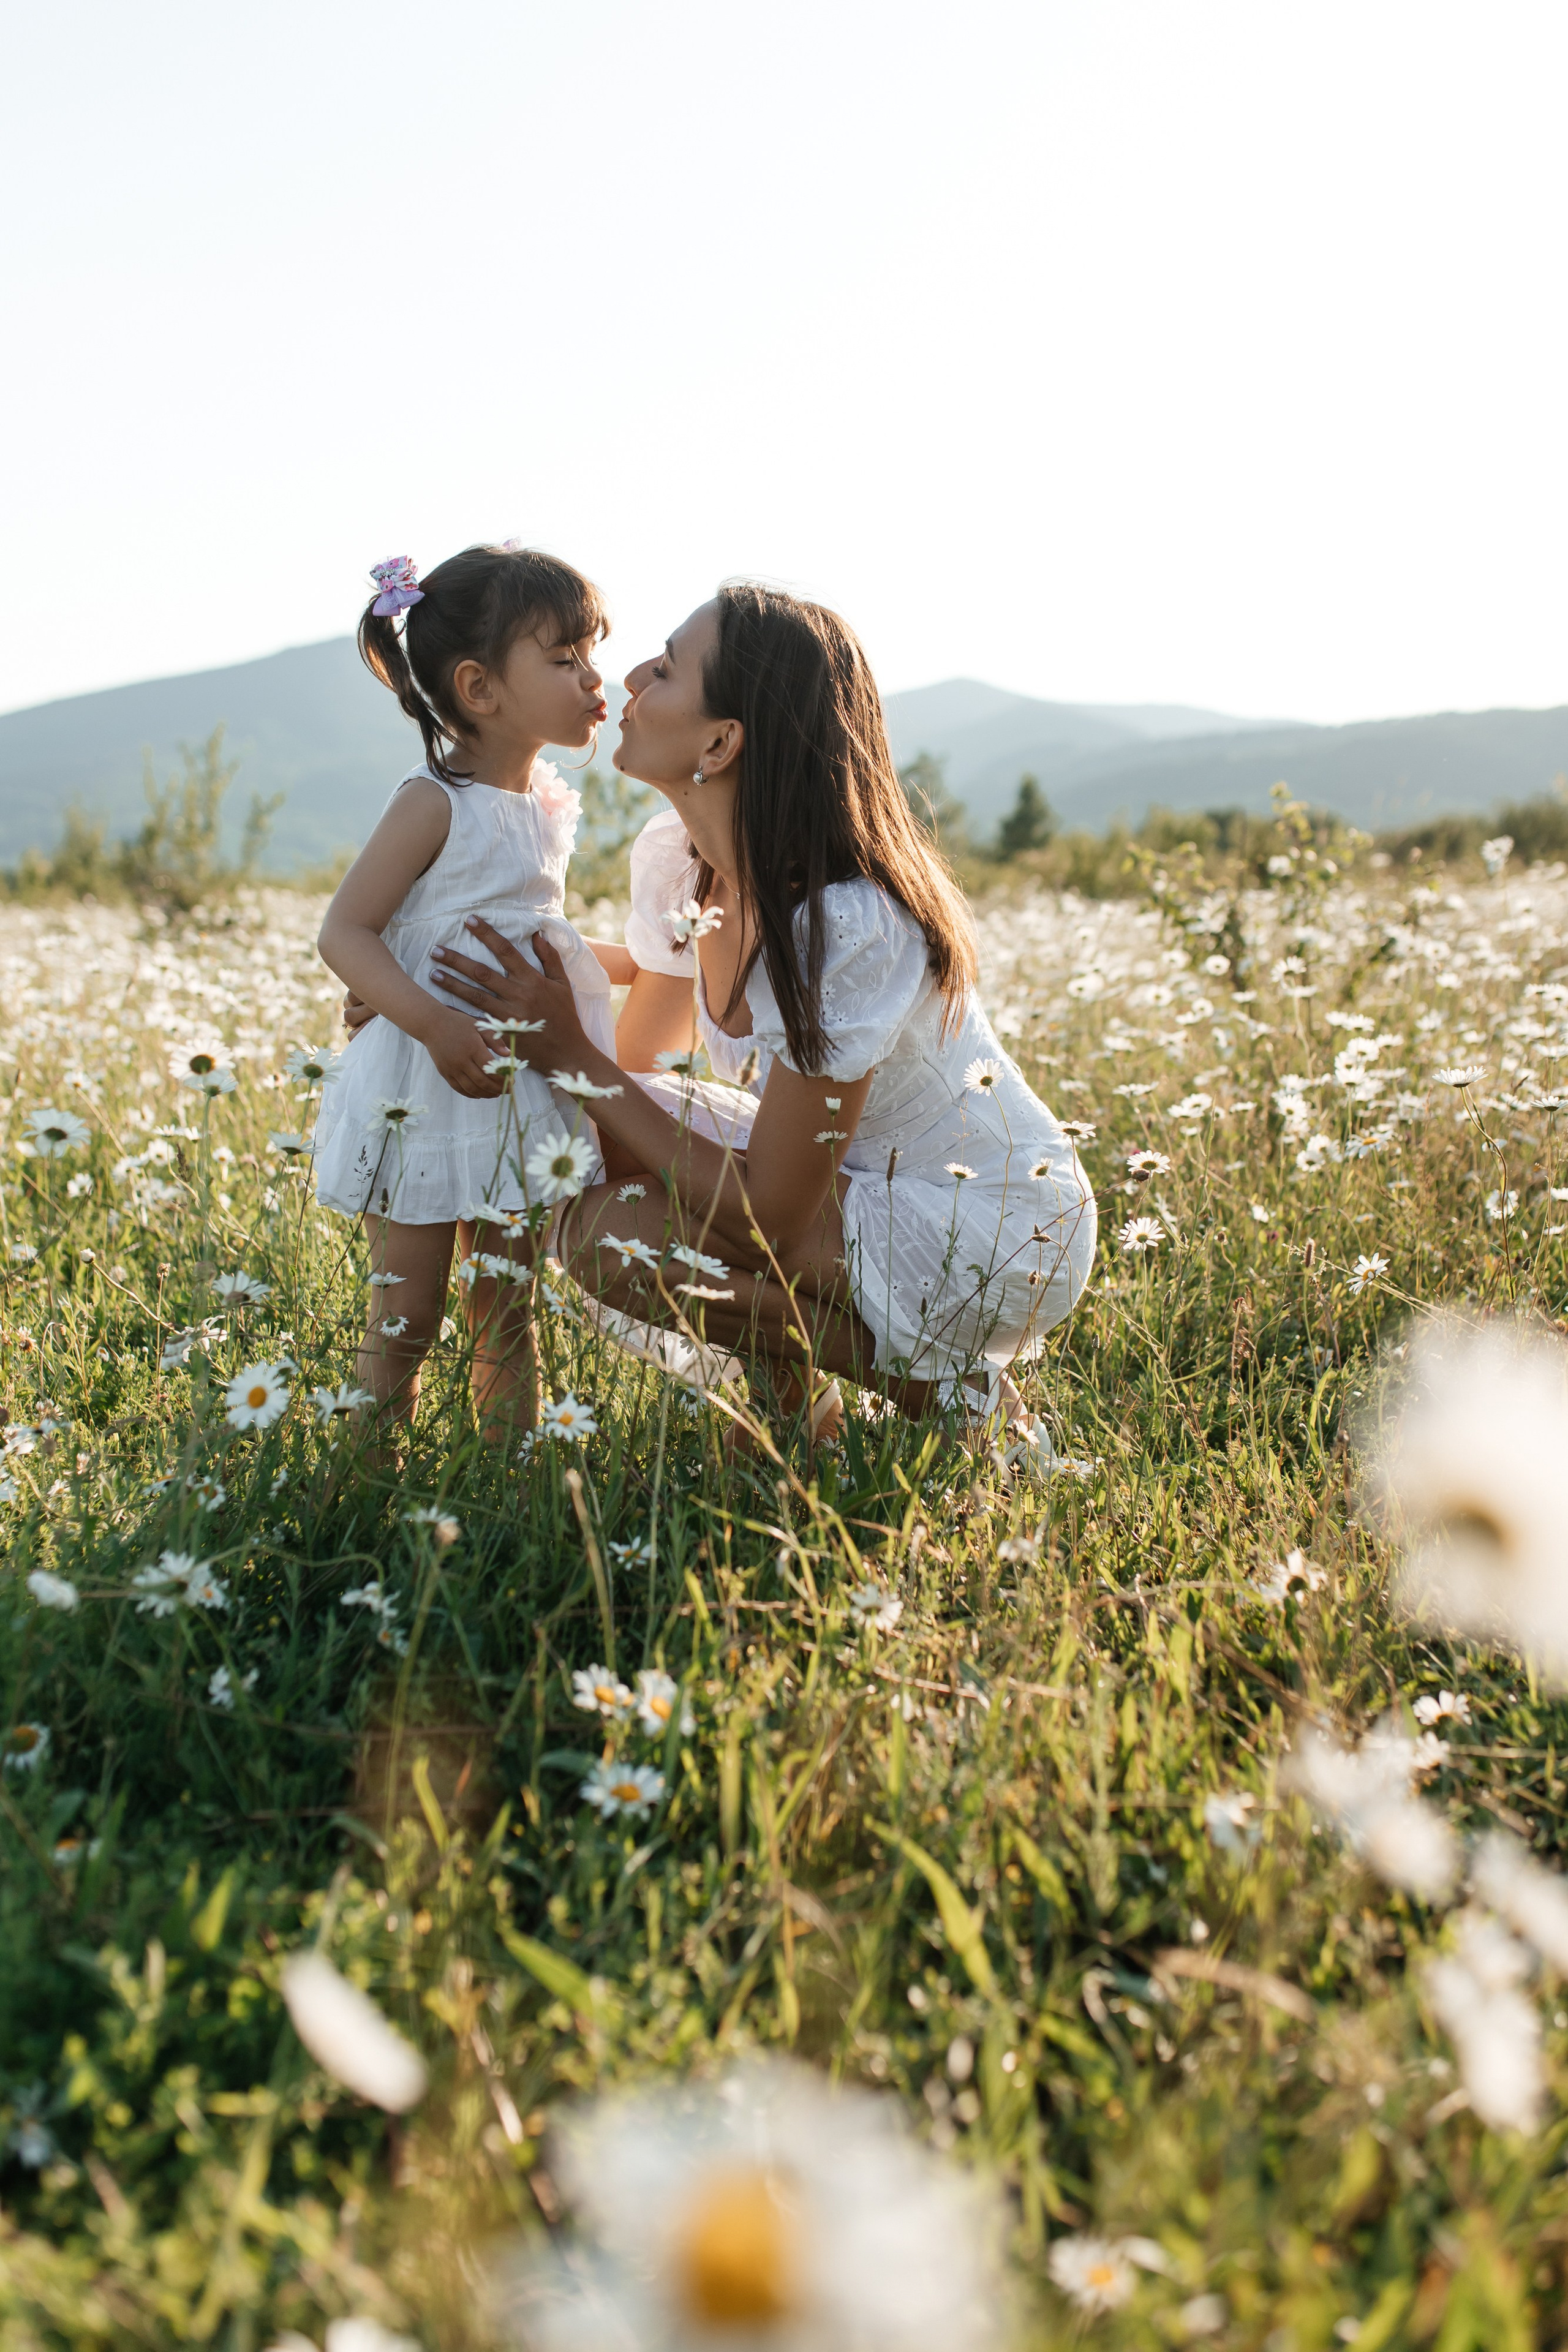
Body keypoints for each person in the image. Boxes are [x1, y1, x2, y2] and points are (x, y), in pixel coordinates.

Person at [426, 582, 1096, 1447]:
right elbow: (641, 1064)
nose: (627, 676)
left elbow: (769, 1212)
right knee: (606, 1176)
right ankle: (801, 1424)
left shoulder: (844, 925)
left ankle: (958, 1405)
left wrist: (566, 1056)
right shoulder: (682, 864)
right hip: (863, 1190)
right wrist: (443, 987)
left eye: (665, 669)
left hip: (993, 1225)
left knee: (615, 1240)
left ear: (721, 741)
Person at [312, 542, 627, 1435]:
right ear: (479, 689)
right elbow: (347, 930)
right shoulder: (433, 801)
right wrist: (433, 1024)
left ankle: (510, 1497)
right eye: (564, 659)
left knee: (508, 1310)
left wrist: (650, 955)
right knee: (406, 1317)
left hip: (510, 1083)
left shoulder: (547, 803)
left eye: (590, 654)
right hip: (423, 1077)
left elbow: (538, 938)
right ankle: (368, 1489)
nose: (592, 677)